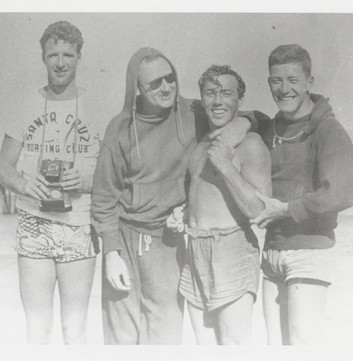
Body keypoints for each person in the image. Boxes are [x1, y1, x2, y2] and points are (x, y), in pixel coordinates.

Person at [91, 48, 256, 344]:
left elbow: (255, 117)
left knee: (165, 336)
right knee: (120, 337)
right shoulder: (119, 128)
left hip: (169, 243)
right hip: (125, 240)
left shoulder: (194, 113)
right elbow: (104, 195)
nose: (167, 87)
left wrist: (243, 124)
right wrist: (111, 253)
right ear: (138, 89)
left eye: (171, 79)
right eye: (156, 83)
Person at [0, 21, 100, 344]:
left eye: (68, 54)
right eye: (52, 54)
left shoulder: (97, 106)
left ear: (79, 57)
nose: (60, 62)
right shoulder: (25, 104)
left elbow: (112, 174)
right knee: (37, 331)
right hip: (34, 223)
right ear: (43, 57)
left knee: (74, 329)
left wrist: (84, 179)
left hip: (79, 224)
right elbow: (3, 167)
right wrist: (25, 184)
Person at [250, 44, 353, 345]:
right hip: (272, 252)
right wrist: (246, 120)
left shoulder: (329, 130)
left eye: (293, 80)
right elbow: (249, 118)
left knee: (302, 344)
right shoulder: (270, 128)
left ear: (309, 82)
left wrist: (285, 210)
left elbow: (342, 192)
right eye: (276, 80)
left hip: (310, 251)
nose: (284, 89)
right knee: (275, 345)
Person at [170, 65, 271, 345]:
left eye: (226, 94)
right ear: (202, 99)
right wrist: (184, 212)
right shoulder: (202, 143)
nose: (218, 101)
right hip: (195, 251)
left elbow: (260, 211)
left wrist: (226, 166)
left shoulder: (250, 143)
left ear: (240, 100)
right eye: (210, 93)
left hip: (232, 249)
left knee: (234, 345)